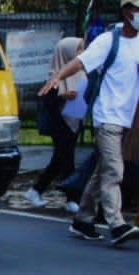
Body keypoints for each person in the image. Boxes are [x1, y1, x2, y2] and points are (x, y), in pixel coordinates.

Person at [40, 1, 139, 246]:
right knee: (114, 170)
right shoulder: (109, 40)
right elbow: (82, 62)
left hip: (129, 118)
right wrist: (58, 76)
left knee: (101, 170)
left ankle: (83, 218)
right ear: (128, 12)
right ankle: (116, 225)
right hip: (107, 116)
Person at [25, 36, 86, 211]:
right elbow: (48, 103)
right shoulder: (55, 76)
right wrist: (62, 96)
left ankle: (35, 190)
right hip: (60, 124)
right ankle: (72, 199)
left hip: (75, 122)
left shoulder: (81, 72)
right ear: (66, 52)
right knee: (67, 162)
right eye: (77, 50)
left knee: (58, 161)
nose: (80, 54)